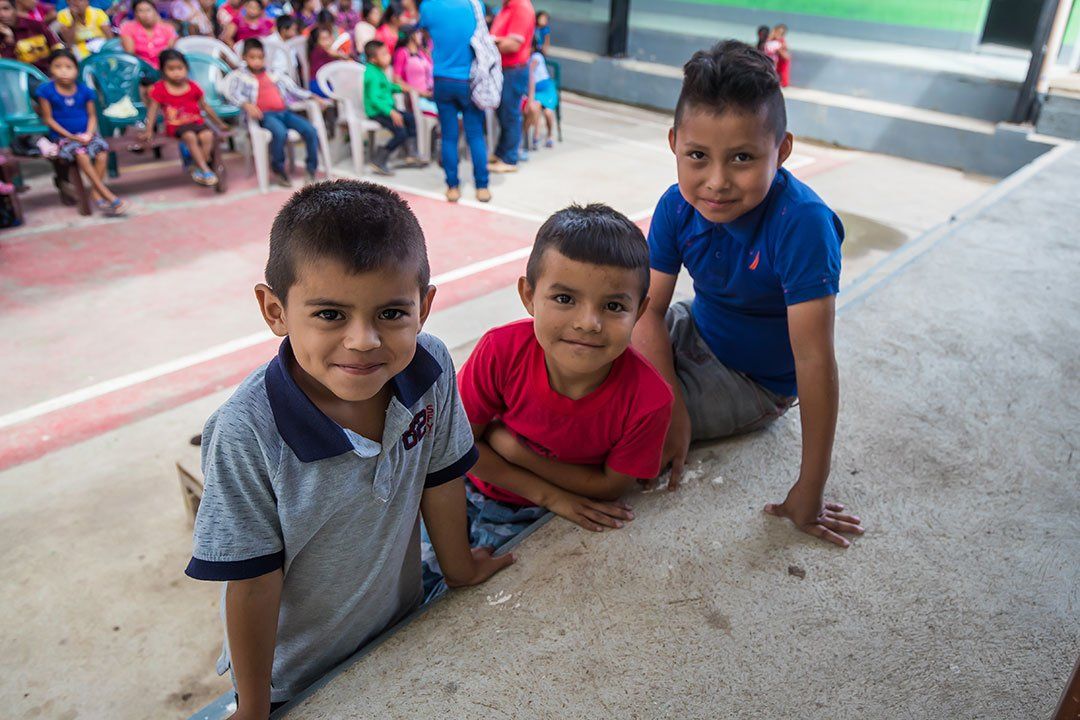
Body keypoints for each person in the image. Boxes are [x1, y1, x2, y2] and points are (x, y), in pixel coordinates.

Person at [185, 179, 513, 718]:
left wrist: (459, 571)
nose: (364, 340)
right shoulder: (247, 433)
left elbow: (440, 477)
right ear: (275, 311)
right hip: (297, 674)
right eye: (330, 315)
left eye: (390, 313)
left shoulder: (428, 369)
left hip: (398, 626)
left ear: (424, 307)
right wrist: (253, 705)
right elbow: (252, 581)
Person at [631, 41, 865, 548]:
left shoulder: (802, 225)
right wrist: (669, 399)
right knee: (581, 349)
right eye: (698, 156)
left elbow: (815, 362)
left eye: (741, 158)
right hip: (695, 326)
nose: (716, 183)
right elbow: (646, 311)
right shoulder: (676, 205)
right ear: (674, 143)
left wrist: (811, 486)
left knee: (627, 424)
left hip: (755, 379)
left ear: (781, 152)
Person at [420, 203, 673, 593]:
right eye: (565, 299)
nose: (588, 322)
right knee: (407, 589)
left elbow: (610, 487)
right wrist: (551, 494)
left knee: (463, 601)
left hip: (532, 516)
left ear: (639, 311)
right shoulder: (501, 351)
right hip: (463, 488)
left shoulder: (649, 400)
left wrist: (520, 454)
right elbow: (451, 454)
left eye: (613, 306)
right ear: (528, 295)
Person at [35, 48, 127, 215]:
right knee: (82, 155)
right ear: (51, 69)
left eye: (68, 67)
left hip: (87, 135)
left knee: (102, 153)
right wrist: (71, 136)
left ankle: (95, 192)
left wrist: (89, 134)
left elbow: (92, 116)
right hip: (63, 138)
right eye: (58, 66)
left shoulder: (84, 90)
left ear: (76, 70)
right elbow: (48, 119)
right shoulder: (46, 91)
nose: (63, 71)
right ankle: (108, 195)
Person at [223, 38, 324, 186]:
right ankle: (278, 168)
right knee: (279, 133)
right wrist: (246, 104)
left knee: (310, 130)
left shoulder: (274, 74)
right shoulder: (240, 76)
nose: (257, 61)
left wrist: (312, 96)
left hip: (285, 112)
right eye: (253, 58)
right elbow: (232, 93)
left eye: (260, 57)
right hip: (266, 116)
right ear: (244, 57)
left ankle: (310, 168)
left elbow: (293, 89)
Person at [418, 0, 489, 203]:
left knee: (449, 136)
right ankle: (482, 186)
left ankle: (452, 187)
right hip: (469, 80)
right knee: (475, 135)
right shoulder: (475, 5)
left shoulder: (428, 6)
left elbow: (424, 34)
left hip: (442, 79)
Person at [141, 48, 228, 185]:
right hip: (177, 126)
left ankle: (197, 164)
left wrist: (219, 123)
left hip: (196, 121)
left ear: (186, 68)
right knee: (190, 136)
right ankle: (205, 170)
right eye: (171, 69)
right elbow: (152, 111)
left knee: (208, 136)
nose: (176, 72)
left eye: (179, 68)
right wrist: (149, 130)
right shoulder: (160, 88)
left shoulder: (193, 86)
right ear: (163, 71)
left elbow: (205, 107)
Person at [488, 0, 534, 173]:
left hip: (513, 70)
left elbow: (513, 45)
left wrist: (489, 44)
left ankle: (509, 158)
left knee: (510, 113)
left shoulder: (521, 7)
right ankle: (501, 153)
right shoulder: (508, 7)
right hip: (503, 69)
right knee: (503, 112)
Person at [363, 38, 420, 175]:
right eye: (383, 54)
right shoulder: (371, 75)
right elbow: (375, 98)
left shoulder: (378, 71)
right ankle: (379, 159)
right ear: (373, 59)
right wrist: (391, 112)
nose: (388, 56)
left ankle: (410, 154)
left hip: (387, 109)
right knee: (401, 132)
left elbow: (387, 87)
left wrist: (400, 88)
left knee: (411, 118)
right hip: (378, 112)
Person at [1, 0, 60, 73]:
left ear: (15, 9)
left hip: (49, 75)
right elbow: (8, 70)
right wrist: (9, 41)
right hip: (19, 79)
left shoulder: (35, 26)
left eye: (6, 9)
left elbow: (57, 48)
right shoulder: (3, 36)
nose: (2, 14)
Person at [119, 0, 177, 69]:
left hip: (163, 68)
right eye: (140, 11)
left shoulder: (167, 29)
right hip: (139, 68)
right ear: (136, 14)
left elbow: (170, 52)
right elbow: (130, 54)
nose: (145, 14)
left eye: (148, 10)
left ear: (155, 11)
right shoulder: (128, 28)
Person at [522, 48, 555, 150]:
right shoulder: (526, 57)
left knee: (548, 113)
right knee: (536, 107)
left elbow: (529, 70)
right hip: (535, 91)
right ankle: (535, 137)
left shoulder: (536, 56)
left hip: (547, 90)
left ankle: (549, 135)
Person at [306, 23, 348, 96]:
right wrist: (343, 56)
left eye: (329, 37)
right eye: (324, 39)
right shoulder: (320, 51)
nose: (328, 41)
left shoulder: (325, 50)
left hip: (327, 82)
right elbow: (339, 55)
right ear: (316, 42)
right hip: (319, 84)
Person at [771, 23, 790, 88]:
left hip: (782, 61)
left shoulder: (781, 41)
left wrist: (780, 49)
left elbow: (786, 52)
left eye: (780, 33)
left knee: (782, 72)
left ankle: (783, 83)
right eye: (776, 32)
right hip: (776, 61)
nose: (777, 34)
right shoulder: (772, 39)